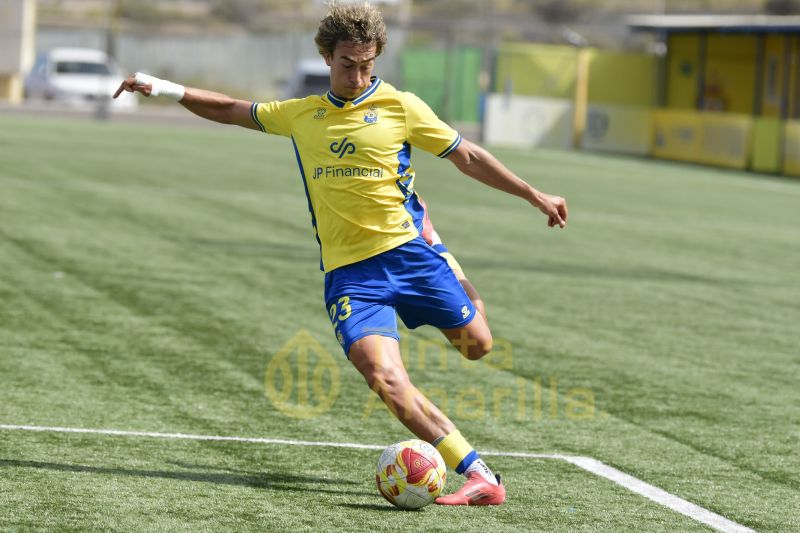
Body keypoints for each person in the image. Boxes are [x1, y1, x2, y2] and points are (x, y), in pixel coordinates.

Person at [114, 3, 567, 506]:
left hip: (411, 256)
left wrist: (534, 194)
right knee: (385, 379)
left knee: (477, 346)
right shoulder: (302, 115)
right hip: (352, 277)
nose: (358, 75)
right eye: (348, 64)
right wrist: (165, 88)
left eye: (367, 65)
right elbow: (228, 109)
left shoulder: (401, 107)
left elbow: (469, 156)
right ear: (327, 57)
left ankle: (444, 254)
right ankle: (480, 474)